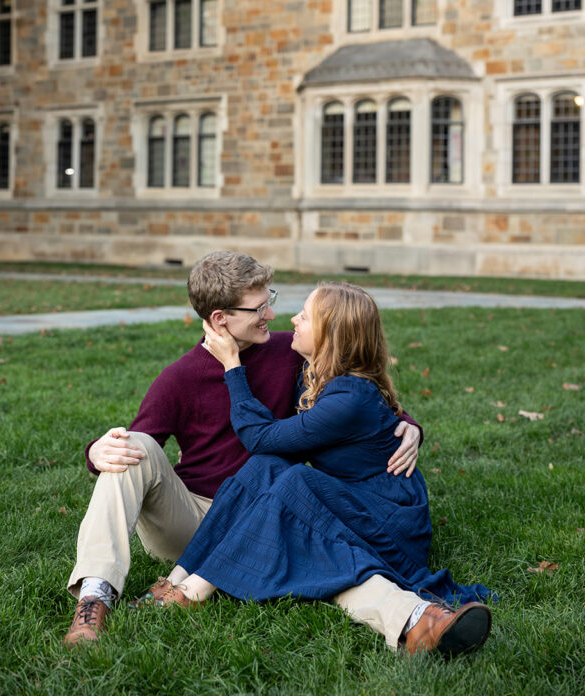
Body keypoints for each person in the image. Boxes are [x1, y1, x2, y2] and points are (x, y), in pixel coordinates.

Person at [64, 252, 431, 652]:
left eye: (269, 299)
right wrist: (96, 451)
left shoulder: (289, 353)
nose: (272, 314)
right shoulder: (178, 378)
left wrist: (408, 426)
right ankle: (94, 596)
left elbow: (354, 390)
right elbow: (136, 443)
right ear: (221, 318)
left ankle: (417, 620)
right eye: (259, 307)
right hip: (195, 516)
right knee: (132, 446)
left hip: (269, 511)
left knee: (328, 559)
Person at [134, 282, 494, 657]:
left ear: (330, 336)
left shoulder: (348, 397)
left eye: (304, 316)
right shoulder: (318, 373)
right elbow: (268, 451)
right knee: (265, 468)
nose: (291, 319)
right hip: (354, 499)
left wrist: (232, 368)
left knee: (292, 480)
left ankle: (194, 592)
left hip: (388, 519)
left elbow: (260, 436)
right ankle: (176, 582)